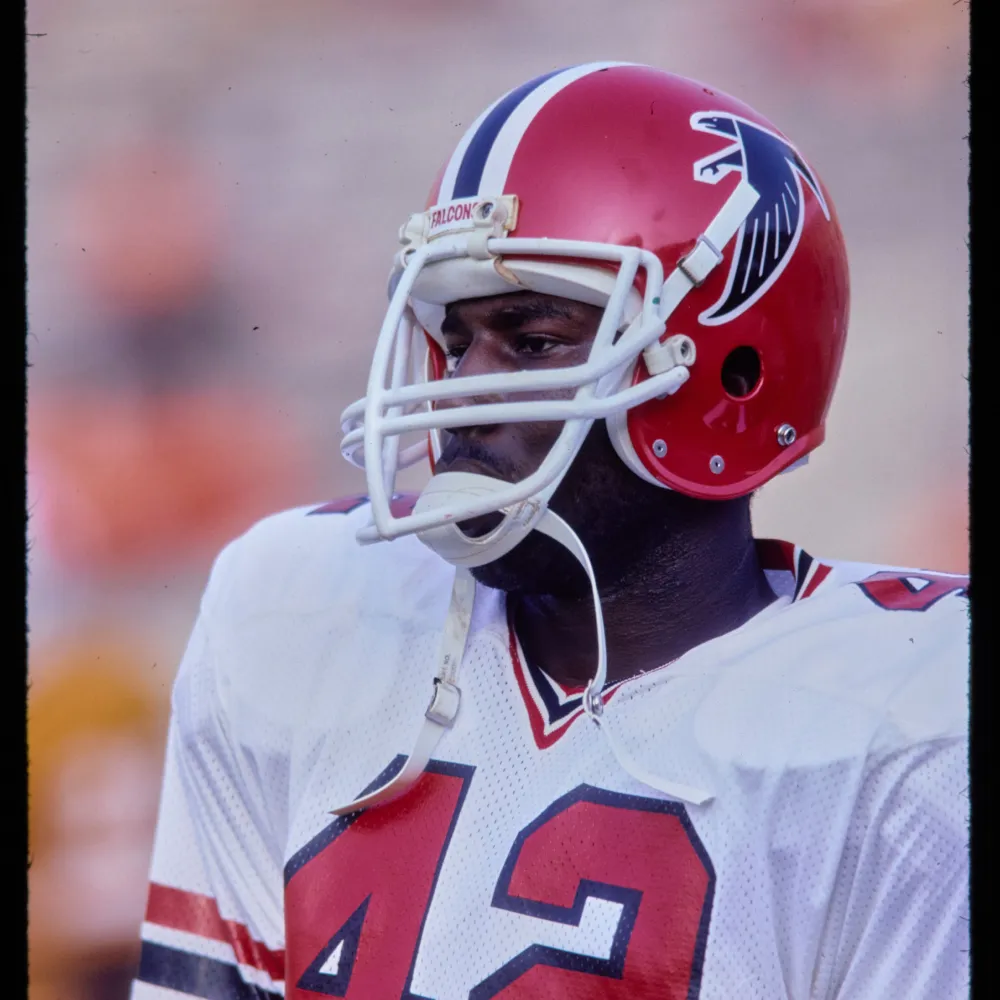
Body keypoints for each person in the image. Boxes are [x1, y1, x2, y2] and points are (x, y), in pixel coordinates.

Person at [131, 63, 969, 999]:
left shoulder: (912, 720)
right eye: (455, 342)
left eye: (531, 342)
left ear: (732, 372)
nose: (460, 391)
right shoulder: (296, 611)